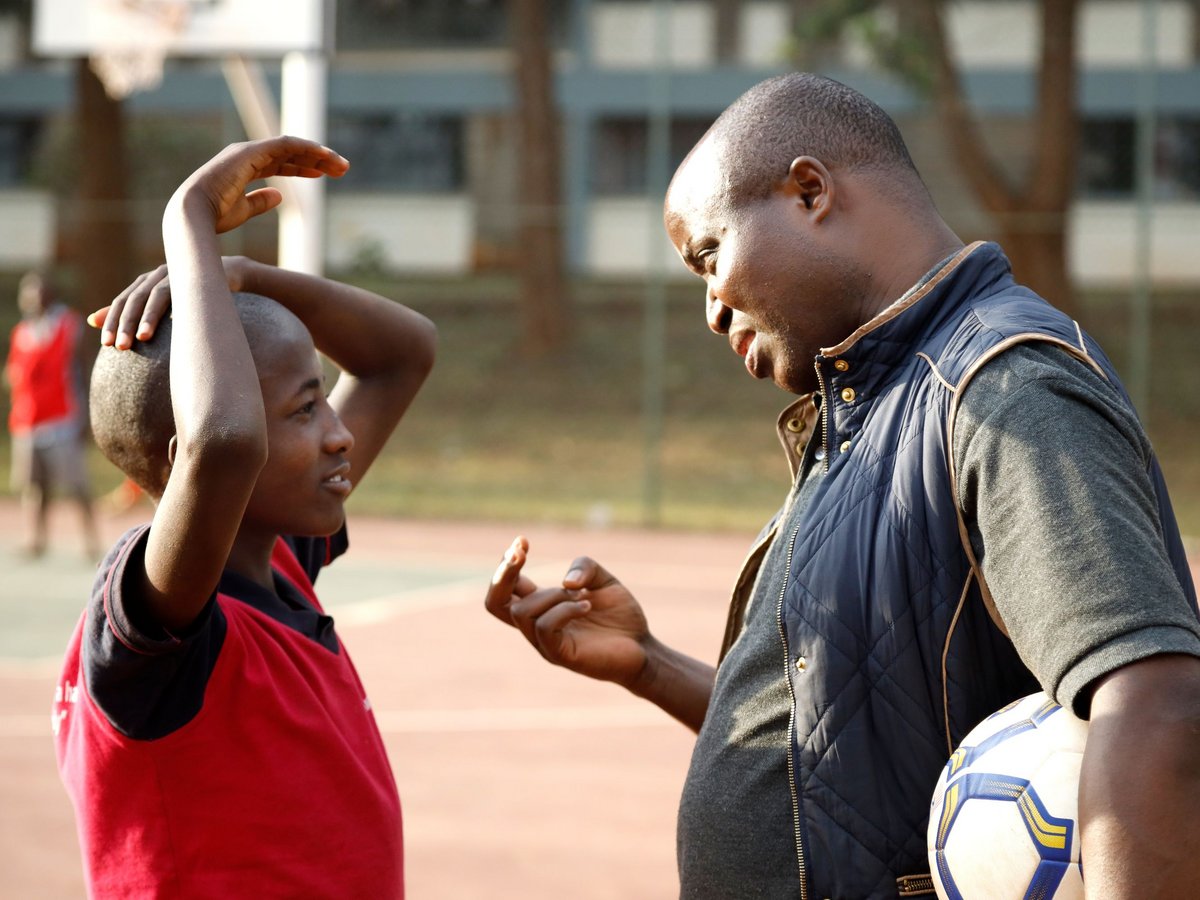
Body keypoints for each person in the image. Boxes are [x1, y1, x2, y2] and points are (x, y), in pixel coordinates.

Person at [484, 74, 1200, 899]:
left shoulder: (999, 389)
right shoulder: (868, 413)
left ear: (810, 190)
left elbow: (1153, 701)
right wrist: (650, 666)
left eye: (710, 257)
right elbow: (844, 751)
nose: (712, 309)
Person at [52, 136, 436, 896]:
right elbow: (223, 444)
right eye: (302, 410)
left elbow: (404, 354)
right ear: (181, 457)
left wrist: (244, 279)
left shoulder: (283, 559)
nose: (340, 432)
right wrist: (188, 216)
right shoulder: (152, 633)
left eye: (323, 396)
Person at [4, 270, 100, 559]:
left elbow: (83, 368)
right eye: (26, 292)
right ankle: (36, 540)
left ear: (49, 293)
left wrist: (88, 416)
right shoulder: (21, 332)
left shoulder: (69, 325)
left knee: (76, 485)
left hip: (62, 419)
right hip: (28, 421)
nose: (30, 297)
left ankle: (90, 540)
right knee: (34, 486)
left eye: (36, 291)